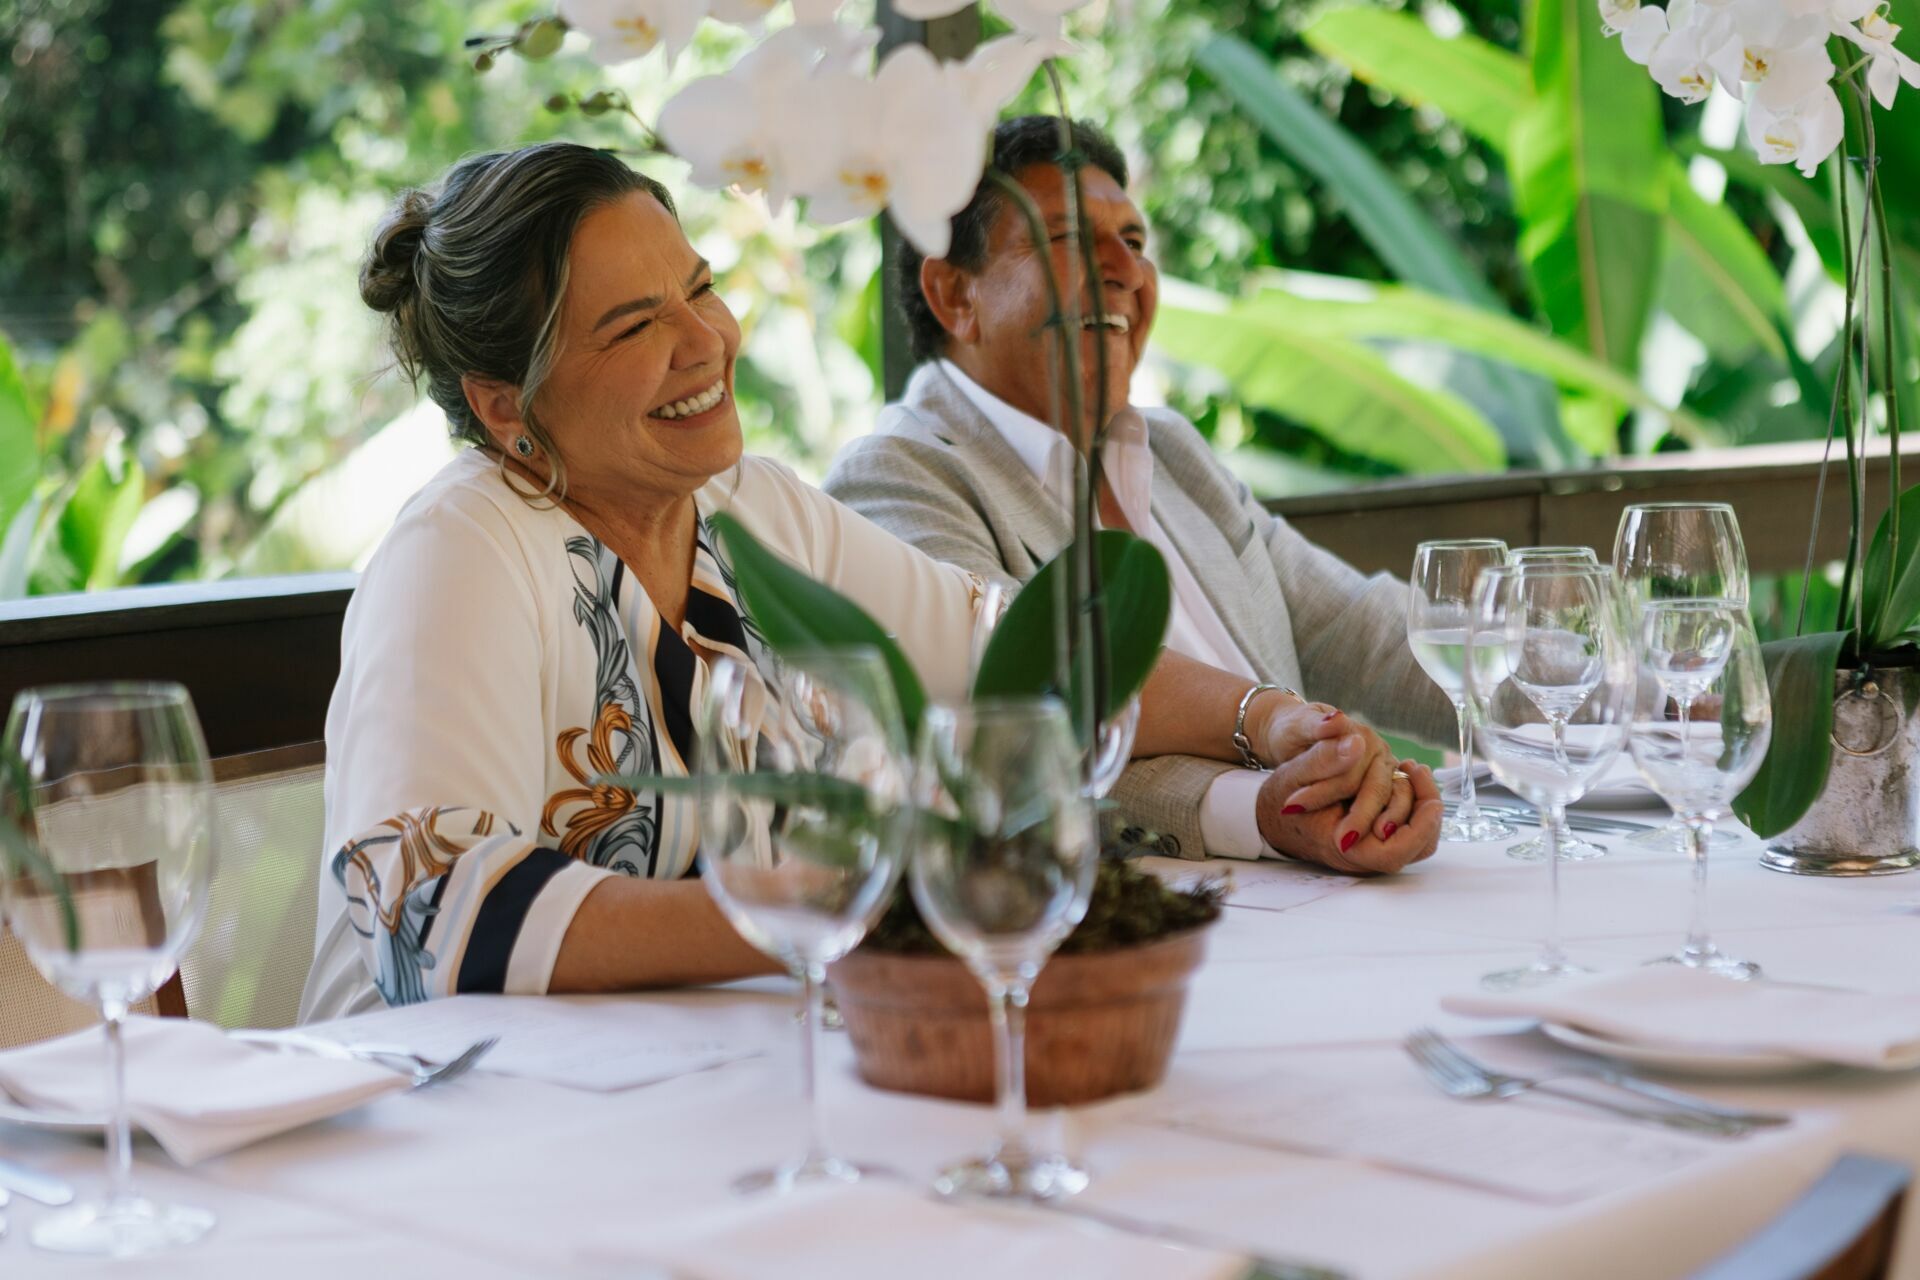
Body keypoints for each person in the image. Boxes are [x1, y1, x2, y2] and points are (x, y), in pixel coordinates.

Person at [300, 142, 1442, 1021]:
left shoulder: (749, 506)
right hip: (438, 1134)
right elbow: (435, 910)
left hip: (689, 1081)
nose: (706, 341)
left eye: (699, 287)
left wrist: (1276, 726)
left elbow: (1020, 660)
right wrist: (825, 908)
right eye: (635, 325)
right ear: (506, 402)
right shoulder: (460, 550)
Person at [824, 116, 1456, 874]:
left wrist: (1607, 683)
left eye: (1133, 240)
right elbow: (1025, 708)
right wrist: (1260, 798)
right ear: (956, 295)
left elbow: (1368, 635)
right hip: (1121, 928)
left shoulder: (1172, 453)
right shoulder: (898, 476)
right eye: (1068, 241)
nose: (1124, 269)